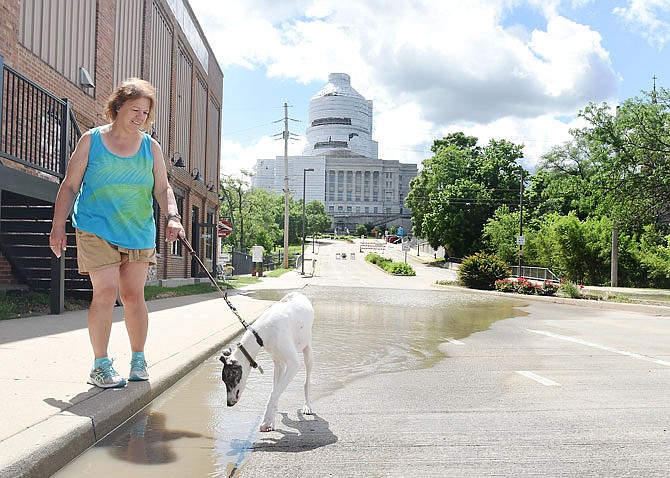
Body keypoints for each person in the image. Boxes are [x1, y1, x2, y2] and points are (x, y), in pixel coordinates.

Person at [49, 78, 185, 388]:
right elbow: (70, 185)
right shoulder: (91, 140)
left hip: (137, 230)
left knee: (134, 295)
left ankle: (138, 358)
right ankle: (100, 364)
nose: (140, 116)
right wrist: (58, 226)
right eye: (134, 109)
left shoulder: (151, 147)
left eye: (146, 112)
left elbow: (163, 189)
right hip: (96, 226)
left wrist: (174, 217)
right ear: (118, 107)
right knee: (106, 292)